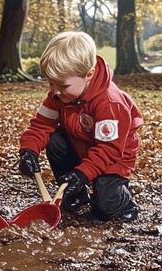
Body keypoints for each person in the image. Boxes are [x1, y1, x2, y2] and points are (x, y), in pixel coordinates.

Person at [19, 31, 143, 222]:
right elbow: (41, 125)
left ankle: (125, 202)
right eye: (50, 83)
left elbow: (109, 149)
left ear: (89, 75)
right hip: (81, 146)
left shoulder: (109, 103)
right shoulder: (58, 95)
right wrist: (28, 151)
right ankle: (75, 194)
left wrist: (82, 173)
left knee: (105, 208)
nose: (55, 91)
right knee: (54, 139)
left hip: (113, 157)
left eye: (63, 85)